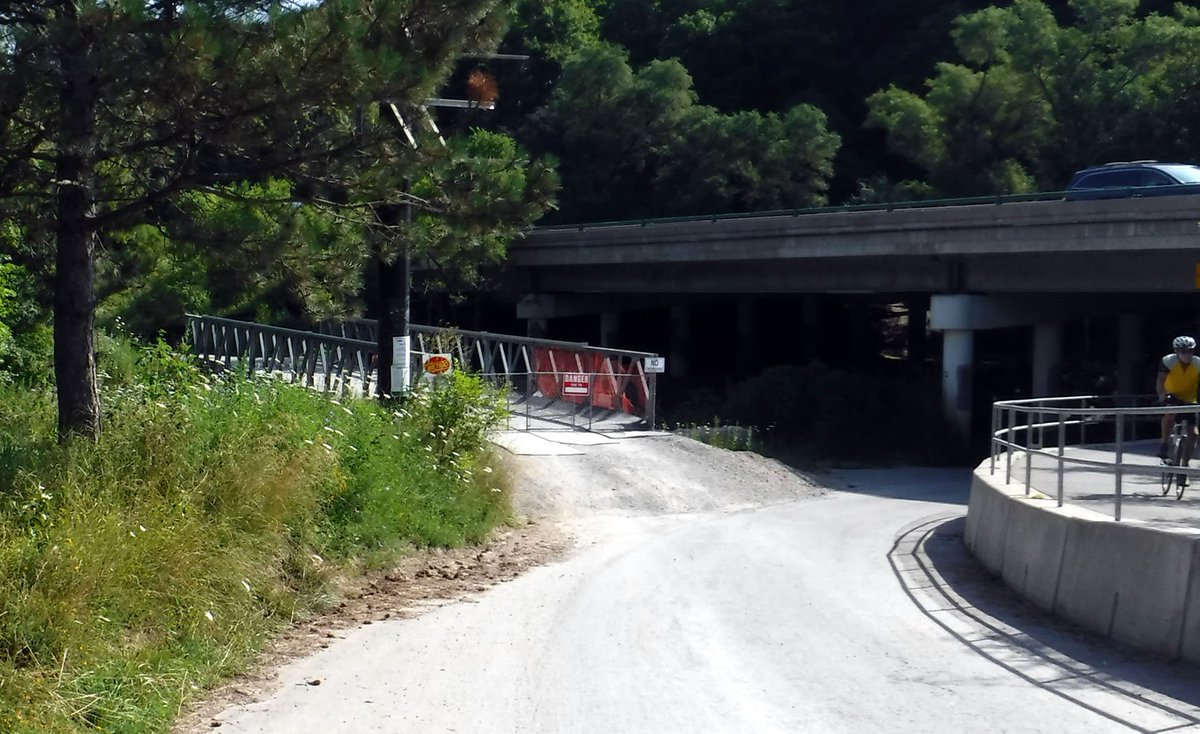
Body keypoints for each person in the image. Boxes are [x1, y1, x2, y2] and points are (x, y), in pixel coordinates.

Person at [1157, 335, 1200, 466]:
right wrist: (1162, 395)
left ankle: (1185, 466)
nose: (1187, 355)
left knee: (1193, 434)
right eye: (1183, 352)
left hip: (1190, 399)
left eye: (1190, 351)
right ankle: (1164, 445)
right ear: (1176, 352)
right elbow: (1160, 381)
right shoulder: (1168, 361)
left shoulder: (1198, 363)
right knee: (1170, 413)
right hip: (1172, 395)